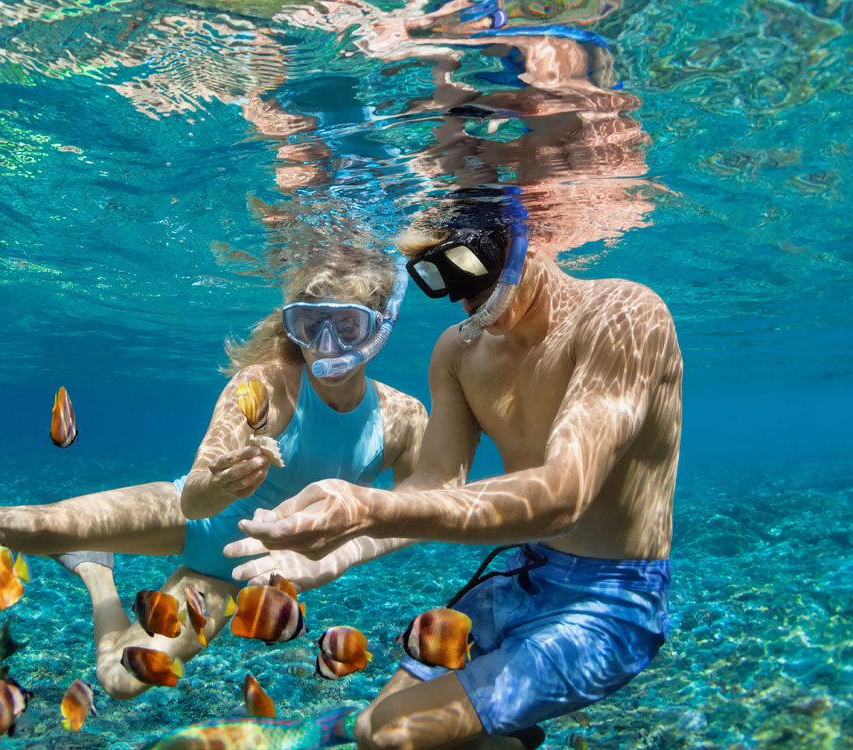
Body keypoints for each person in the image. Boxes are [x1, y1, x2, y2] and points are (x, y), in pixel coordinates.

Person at [0, 245, 428, 701]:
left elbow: (424, 509)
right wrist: (223, 480)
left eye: (348, 326)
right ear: (292, 326)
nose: (328, 348)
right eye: (309, 326)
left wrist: (342, 547)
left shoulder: (403, 419)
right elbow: (197, 490)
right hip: (184, 514)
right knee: (28, 524)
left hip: (228, 578)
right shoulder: (266, 386)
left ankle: (95, 571)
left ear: (381, 329)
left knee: (121, 682)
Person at [227, 186, 681, 750]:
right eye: (441, 279)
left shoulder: (624, 313)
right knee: (376, 728)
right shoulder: (458, 352)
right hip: (520, 575)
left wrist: (367, 509)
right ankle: (510, 736)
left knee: (392, 735)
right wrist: (338, 553)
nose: (467, 302)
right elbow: (435, 483)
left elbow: (567, 492)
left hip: (611, 601)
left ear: (527, 238)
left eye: (475, 269)